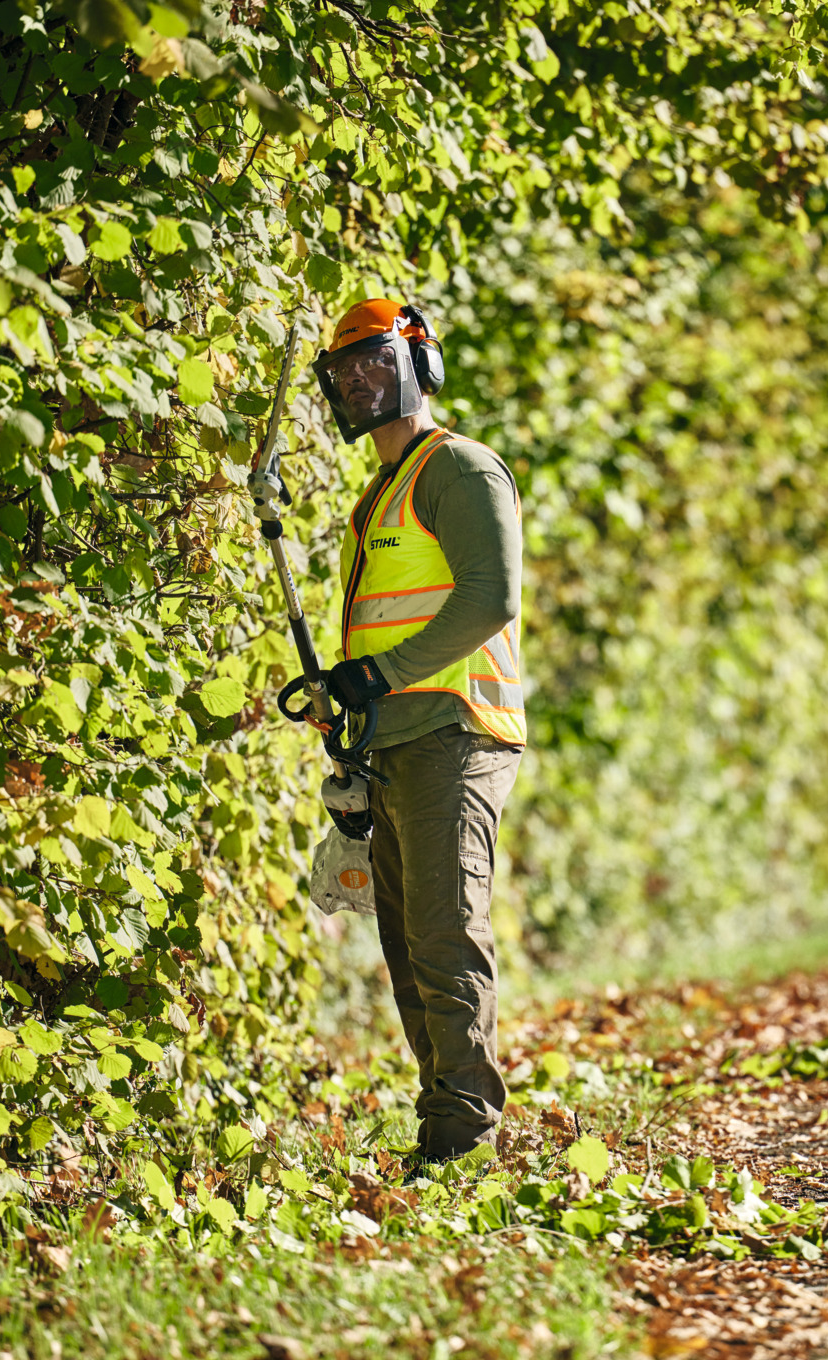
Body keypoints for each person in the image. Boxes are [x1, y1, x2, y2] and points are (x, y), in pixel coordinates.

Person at [310, 298, 527, 1168]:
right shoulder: (380, 494)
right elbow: (387, 625)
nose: (359, 377)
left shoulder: (460, 471)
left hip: (456, 731)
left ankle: (462, 1142)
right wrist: (348, 697)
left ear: (419, 363)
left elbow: (489, 599)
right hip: (397, 740)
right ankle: (442, 1129)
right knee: (406, 945)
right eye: (344, 367)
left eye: (375, 358)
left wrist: (383, 676)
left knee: (444, 932)